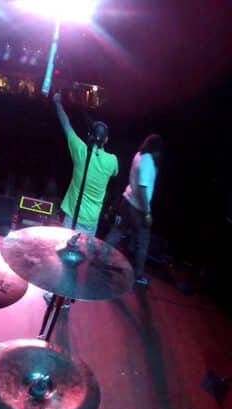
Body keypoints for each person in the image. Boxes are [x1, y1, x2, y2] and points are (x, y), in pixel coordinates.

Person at [53, 92, 119, 236]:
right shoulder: (112, 161)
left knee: (65, 251)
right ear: (106, 140)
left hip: (72, 216)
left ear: (90, 136)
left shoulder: (80, 151)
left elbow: (66, 124)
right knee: (84, 256)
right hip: (91, 221)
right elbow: (115, 173)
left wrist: (58, 102)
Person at [104, 134, 164, 286]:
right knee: (142, 242)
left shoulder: (138, 155)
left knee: (117, 232)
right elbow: (143, 188)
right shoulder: (148, 162)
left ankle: (99, 258)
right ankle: (138, 275)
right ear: (157, 149)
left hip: (127, 201)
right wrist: (147, 213)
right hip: (138, 209)